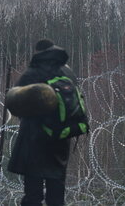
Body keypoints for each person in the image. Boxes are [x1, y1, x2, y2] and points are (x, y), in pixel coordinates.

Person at [7, 39, 77, 206]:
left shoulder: (33, 72)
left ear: (39, 52)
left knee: (33, 193)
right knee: (56, 190)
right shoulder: (67, 73)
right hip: (60, 137)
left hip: (34, 138)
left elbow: (15, 104)